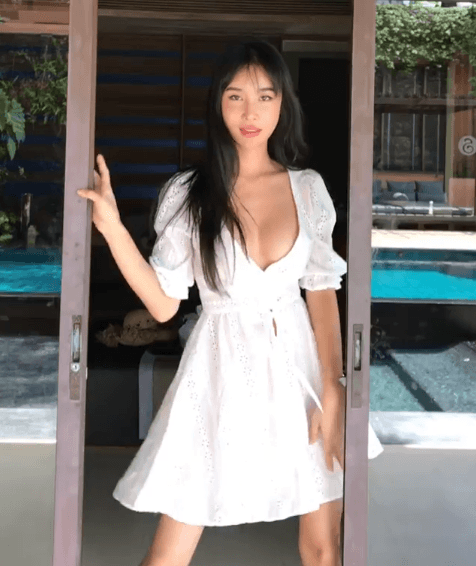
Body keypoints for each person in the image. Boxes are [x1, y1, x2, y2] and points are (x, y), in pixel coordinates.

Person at [78, 38, 382, 566]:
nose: (250, 112)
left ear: (283, 104)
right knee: (167, 556)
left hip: (302, 375)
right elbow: (164, 305)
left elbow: (321, 292)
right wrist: (112, 227)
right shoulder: (190, 192)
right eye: (235, 96)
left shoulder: (307, 189)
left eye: (265, 96)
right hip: (218, 373)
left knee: (323, 550)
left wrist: (333, 386)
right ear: (217, 103)